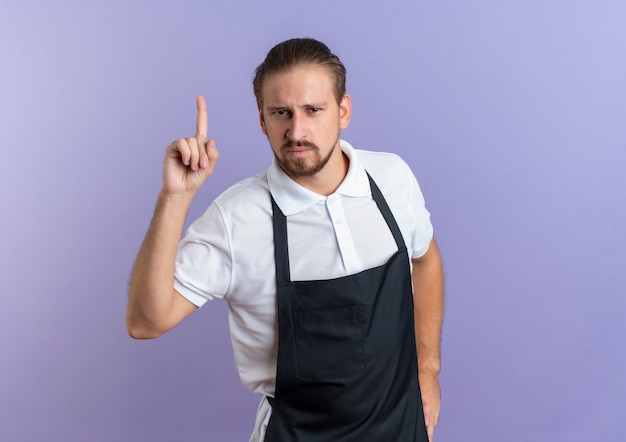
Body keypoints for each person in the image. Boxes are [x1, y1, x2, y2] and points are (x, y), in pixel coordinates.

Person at [127, 38, 444, 442]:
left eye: (313, 110)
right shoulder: (237, 217)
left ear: (342, 110)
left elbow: (426, 260)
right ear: (262, 120)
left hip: (403, 431)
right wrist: (175, 198)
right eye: (281, 113)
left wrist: (427, 368)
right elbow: (145, 322)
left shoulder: (392, 178)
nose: (297, 131)